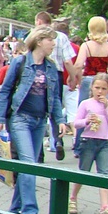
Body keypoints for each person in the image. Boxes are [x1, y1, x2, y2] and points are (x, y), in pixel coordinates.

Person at [0, 26, 65, 214]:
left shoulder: (51, 67)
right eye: (51, 40)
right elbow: (6, 90)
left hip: (40, 121)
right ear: (40, 41)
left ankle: (16, 207)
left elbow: (56, 97)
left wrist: (60, 120)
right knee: (29, 163)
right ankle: (30, 210)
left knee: (27, 164)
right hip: (20, 119)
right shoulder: (20, 62)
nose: (53, 44)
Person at [67, 73, 108, 214]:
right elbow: (76, 123)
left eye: (104, 89)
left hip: (103, 142)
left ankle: (105, 207)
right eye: (97, 88)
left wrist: (107, 107)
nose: (100, 92)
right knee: (84, 171)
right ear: (92, 88)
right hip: (88, 141)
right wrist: (86, 121)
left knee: (104, 173)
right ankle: (73, 198)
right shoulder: (86, 103)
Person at [35, 11, 79, 160]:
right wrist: (73, 77)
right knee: (55, 108)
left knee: (39, 111)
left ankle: (39, 150)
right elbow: (68, 61)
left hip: (38, 73)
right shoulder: (61, 37)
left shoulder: (34, 36)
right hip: (56, 75)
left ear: (39, 22)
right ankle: (58, 140)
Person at [72, 16, 108, 157]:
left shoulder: (86, 46)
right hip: (103, 81)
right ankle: (102, 144)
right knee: (103, 111)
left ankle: (79, 146)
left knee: (84, 110)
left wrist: (75, 79)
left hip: (89, 80)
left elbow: (79, 65)